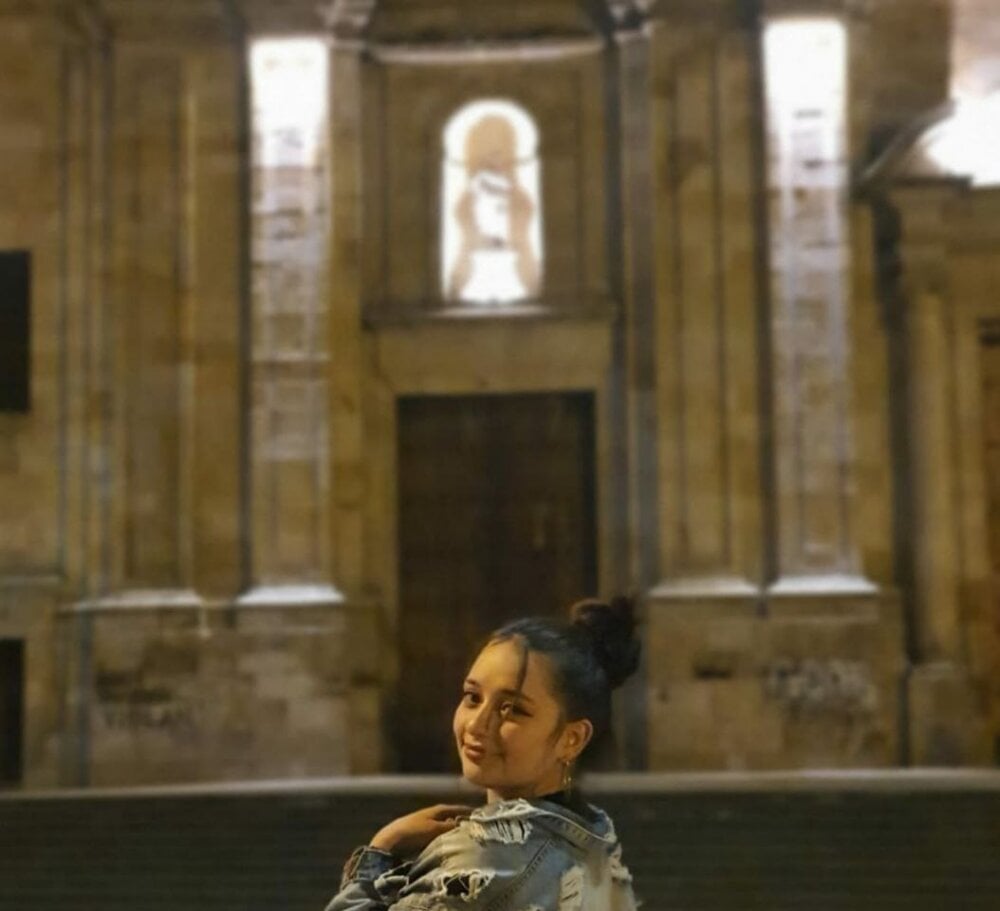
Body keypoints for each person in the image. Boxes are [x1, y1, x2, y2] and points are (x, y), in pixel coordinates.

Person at [324, 595, 642, 911]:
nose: (477, 724)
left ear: (572, 738)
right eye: (472, 697)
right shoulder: (595, 843)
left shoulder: (481, 862)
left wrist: (381, 849)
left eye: (512, 709)